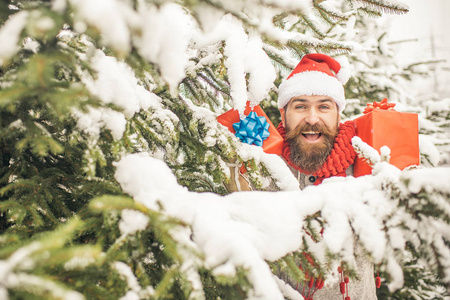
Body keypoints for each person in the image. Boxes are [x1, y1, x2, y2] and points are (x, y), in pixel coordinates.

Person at [225, 53, 378, 299]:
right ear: (283, 114)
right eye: (300, 106)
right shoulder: (259, 166)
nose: (312, 118)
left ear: (339, 115)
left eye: (324, 106)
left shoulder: (368, 166)